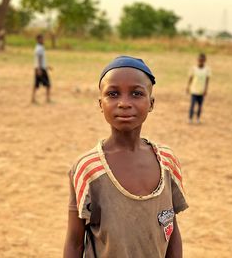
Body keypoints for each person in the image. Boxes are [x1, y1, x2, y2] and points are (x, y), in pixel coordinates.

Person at [63, 56, 188, 258]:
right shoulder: (88, 168)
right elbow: (74, 243)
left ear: (151, 103)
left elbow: (171, 231)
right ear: (100, 103)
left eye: (136, 94)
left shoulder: (167, 162)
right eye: (113, 94)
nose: (124, 103)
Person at [186, 53, 211, 124]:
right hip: (194, 90)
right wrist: (188, 87)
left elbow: (207, 80)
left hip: (201, 91)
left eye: (202, 60)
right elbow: (190, 78)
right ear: (197, 60)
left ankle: (198, 118)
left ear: (204, 61)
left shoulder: (207, 70)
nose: (200, 62)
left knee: (200, 106)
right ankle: (190, 118)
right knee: (192, 105)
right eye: (199, 60)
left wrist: (206, 89)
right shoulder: (194, 69)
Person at [32, 34, 51, 103]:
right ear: (38, 40)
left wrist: (47, 66)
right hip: (40, 69)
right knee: (48, 84)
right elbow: (39, 59)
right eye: (42, 39)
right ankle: (47, 99)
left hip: (40, 68)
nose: (43, 40)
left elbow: (42, 59)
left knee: (36, 84)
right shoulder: (39, 48)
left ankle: (33, 99)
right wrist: (39, 69)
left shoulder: (40, 47)